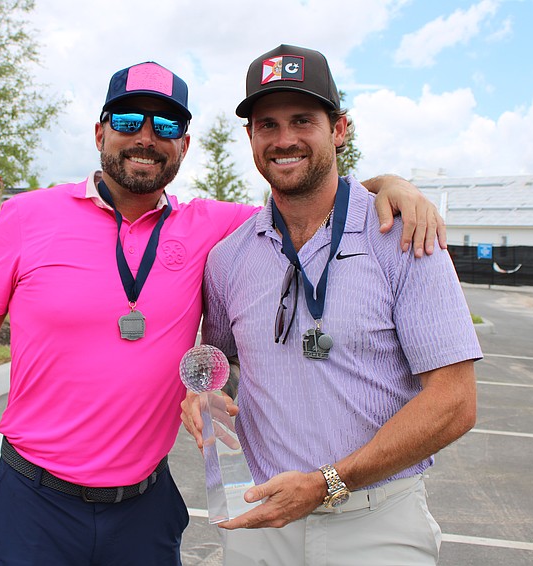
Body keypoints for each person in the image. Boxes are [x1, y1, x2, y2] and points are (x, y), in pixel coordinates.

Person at [0, 59, 446, 565]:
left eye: (166, 124)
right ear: (100, 133)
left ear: (185, 144)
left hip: (145, 507)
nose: (146, 137)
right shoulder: (26, 217)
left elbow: (308, 189)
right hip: (33, 500)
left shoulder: (215, 228)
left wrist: (392, 186)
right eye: (128, 121)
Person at [181, 45, 482, 566]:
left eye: (303, 120)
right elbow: (220, 362)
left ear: (339, 129)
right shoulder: (229, 259)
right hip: (260, 519)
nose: (284, 139)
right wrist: (201, 393)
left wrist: (328, 484)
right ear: (250, 137)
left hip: (376, 522)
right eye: (267, 124)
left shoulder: (404, 236)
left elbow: (455, 402)